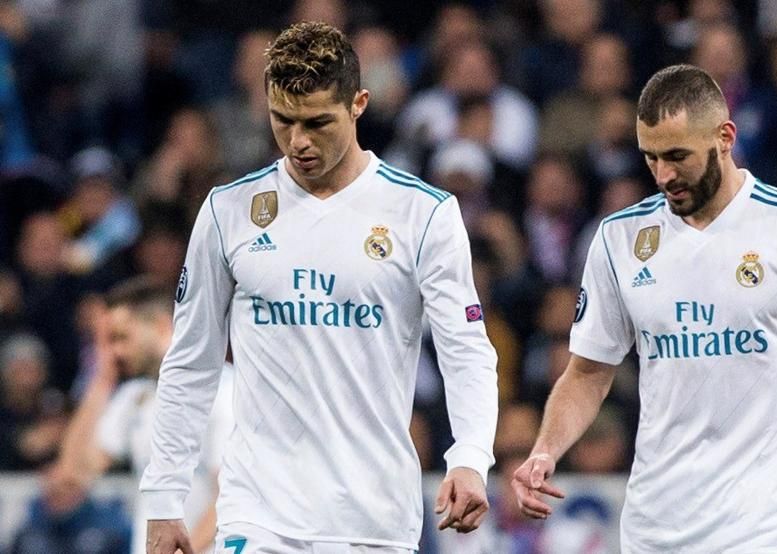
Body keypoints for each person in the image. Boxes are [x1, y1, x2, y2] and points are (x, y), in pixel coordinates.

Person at [141, 22, 498, 554]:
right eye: (282, 121)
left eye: (317, 122)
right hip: (257, 514)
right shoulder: (229, 211)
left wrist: (469, 456)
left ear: (359, 103)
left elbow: (464, 350)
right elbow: (191, 362)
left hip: (373, 516)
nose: (298, 141)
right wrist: (164, 498)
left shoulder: (423, 213)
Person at [511, 64, 777, 552]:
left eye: (677, 156)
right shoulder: (620, 239)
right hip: (654, 531)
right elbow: (587, 374)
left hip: (766, 532)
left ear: (725, 136)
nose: (663, 175)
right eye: (650, 158)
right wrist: (545, 450)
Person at [54, 277, 233, 554]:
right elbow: (74, 474)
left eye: (122, 337)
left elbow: (230, 496)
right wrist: (101, 379)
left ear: (162, 326)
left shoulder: (222, 390)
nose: (116, 351)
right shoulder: (135, 397)